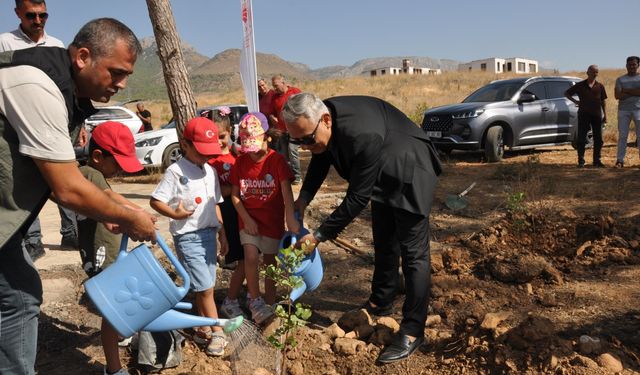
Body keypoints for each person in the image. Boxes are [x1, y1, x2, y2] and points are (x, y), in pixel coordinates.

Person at [0, 18, 157, 375]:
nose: (123, 84)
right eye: (116, 72)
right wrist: (130, 217)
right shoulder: (37, 85)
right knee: (20, 296)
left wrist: (118, 207)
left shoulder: (66, 91)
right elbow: (67, 187)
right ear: (83, 56)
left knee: (20, 292)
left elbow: (56, 176)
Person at [282, 93, 442, 364]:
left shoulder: (361, 135)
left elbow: (356, 198)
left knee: (414, 254)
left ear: (326, 121)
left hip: (410, 166)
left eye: (307, 139)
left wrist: (318, 236)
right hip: (383, 171)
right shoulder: (323, 119)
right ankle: (382, 300)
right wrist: (304, 197)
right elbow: (321, 156)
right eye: (298, 142)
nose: (306, 146)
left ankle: (414, 329)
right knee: (383, 240)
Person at [0, 0, 78, 262]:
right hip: (19, 130)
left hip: (56, 127)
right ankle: (30, 241)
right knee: (27, 184)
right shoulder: (4, 43)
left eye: (43, 15)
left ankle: (70, 232)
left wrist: (82, 126)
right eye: (31, 15)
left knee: (63, 178)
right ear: (18, 13)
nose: (37, 20)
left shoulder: (57, 45)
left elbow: (70, 90)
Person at [150, 117, 229, 357]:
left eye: (209, 152)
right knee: (205, 288)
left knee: (207, 285)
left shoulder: (210, 171)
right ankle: (218, 331)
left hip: (209, 235)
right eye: (201, 151)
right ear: (185, 144)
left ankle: (201, 326)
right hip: (188, 237)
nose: (205, 156)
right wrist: (175, 213)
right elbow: (156, 201)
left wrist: (223, 233)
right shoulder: (175, 172)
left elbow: (216, 204)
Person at [76, 121, 146, 375]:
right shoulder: (90, 174)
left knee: (118, 306)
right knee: (112, 311)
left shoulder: (96, 175)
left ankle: (120, 335)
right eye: (117, 163)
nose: (120, 171)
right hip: (101, 255)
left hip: (109, 254)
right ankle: (114, 369)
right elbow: (112, 199)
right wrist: (138, 213)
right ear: (97, 156)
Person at [229, 112, 300, 324]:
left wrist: (291, 219)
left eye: (255, 145)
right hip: (248, 220)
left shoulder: (276, 161)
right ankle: (255, 301)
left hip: (272, 222)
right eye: (247, 147)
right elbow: (234, 195)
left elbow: (287, 193)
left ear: (267, 137)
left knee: (270, 264)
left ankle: (269, 303)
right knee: (250, 256)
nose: (252, 153)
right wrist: (246, 218)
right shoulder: (240, 162)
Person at [206, 108, 245, 318]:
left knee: (248, 258)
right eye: (215, 138)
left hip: (243, 213)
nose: (220, 142)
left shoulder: (236, 155)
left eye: (222, 136)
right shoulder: (210, 163)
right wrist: (232, 190)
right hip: (227, 215)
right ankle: (230, 300)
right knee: (244, 259)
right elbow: (214, 194)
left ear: (230, 131)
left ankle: (237, 295)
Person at [565, 65, 607, 168]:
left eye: (596, 72)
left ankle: (597, 160)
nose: (594, 74)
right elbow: (567, 93)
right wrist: (576, 101)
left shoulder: (600, 86)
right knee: (581, 138)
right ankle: (581, 161)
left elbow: (603, 101)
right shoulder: (580, 85)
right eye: (592, 72)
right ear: (587, 72)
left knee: (598, 139)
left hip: (597, 115)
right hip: (583, 115)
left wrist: (605, 115)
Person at [270, 74, 302, 184]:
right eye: (273, 86)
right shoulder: (274, 97)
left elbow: (303, 105)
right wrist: (272, 117)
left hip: (294, 129)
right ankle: (288, 176)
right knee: (284, 154)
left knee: (292, 150)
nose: (275, 88)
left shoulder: (295, 91)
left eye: (276, 85)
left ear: (283, 83)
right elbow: (272, 112)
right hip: (282, 130)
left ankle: (297, 177)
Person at [614, 56, 640, 168]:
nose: (632, 66)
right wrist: (635, 91)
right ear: (626, 66)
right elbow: (617, 95)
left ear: (638, 65)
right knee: (623, 136)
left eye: (634, 64)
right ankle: (620, 160)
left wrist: (626, 90)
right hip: (623, 110)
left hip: (638, 109)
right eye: (630, 64)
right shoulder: (620, 79)